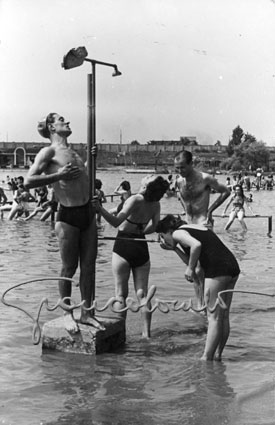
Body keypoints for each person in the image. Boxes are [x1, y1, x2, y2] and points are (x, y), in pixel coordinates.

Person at [24, 112, 102, 333]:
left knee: (88, 267)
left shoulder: (74, 152)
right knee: (69, 267)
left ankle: (86, 313)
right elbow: (29, 181)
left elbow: (81, 176)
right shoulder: (48, 151)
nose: (67, 122)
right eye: (61, 120)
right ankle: (67, 313)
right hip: (67, 216)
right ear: (51, 127)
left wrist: (90, 158)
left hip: (87, 213)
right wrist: (59, 176)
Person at [156, 214, 240, 361]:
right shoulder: (194, 228)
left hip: (217, 270)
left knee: (213, 317)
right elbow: (192, 257)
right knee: (223, 315)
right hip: (231, 266)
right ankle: (218, 355)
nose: (163, 240)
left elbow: (196, 245)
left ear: (168, 231)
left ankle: (206, 358)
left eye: (162, 236)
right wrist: (175, 249)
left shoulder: (178, 232)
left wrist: (189, 269)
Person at [94, 175, 169, 338]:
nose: (147, 176)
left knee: (120, 294)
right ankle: (146, 334)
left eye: (149, 177)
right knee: (142, 294)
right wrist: (142, 231)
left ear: (147, 185)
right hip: (140, 245)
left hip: (123, 244)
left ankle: (120, 333)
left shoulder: (135, 199)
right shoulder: (155, 204)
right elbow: (155, 226)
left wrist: (100, 209)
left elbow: (115, 222)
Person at [174, 150, 231, 308]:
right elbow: (181, 198)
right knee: (193, 269)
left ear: (191, 164)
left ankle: (206, 304)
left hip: (202, 223)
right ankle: (200, 304)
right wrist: (184, 213)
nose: (180, 171)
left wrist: (211, 211)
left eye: (183, 167)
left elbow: (226, 192)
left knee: (200, 268)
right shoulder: (179, 181)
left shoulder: (205, 178)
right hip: (187, 225)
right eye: (177, 168)